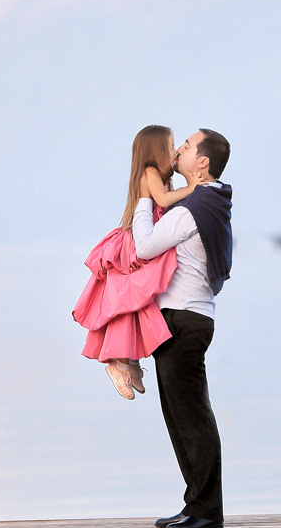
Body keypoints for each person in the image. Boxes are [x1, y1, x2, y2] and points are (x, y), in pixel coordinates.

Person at [132, 129, 232, 528]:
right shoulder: (208, 200)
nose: (180, 151)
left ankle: (207, 510)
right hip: (184, 318)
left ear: (202, 163)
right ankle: (195, 504)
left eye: (188, 147)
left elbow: (144, 247)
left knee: (192, 416)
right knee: (179, 415)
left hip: (184, 319)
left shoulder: (194, 207)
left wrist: (143, 198)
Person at [72, 125, 198, 399]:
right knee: (132, 296)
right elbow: (163, 200)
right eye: (170, 146)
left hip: (151, 231)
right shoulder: (150, 173)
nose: (175, 150)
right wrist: (192, 188)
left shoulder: (160, 175)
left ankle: (130, 361)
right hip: (138, 237)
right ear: (156, 150)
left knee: (139, 302)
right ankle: (117, 362)